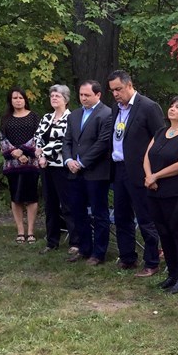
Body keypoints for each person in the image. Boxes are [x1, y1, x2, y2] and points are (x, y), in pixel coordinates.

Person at [108, 70, 165, 277]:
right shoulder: (116, 109)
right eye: (112, 90)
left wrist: (153, 173)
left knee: (145, 217)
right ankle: (127, 257)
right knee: (122, 215)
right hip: (119, 168)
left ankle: (151, 261)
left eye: (119, 89)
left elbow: (160, 140)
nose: (115, 94)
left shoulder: (148, 107)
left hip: (141, 170)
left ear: (129, 85)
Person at [143, 95, 178, 294]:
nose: (172, 109)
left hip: (176, 191)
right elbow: (147, 155)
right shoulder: (161, 131)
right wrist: (149, 176)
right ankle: (171, 273)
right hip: (154, 190)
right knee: (163, 232)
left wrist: (156, 176)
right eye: (171, 106)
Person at [63, 80, 113, 265]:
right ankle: (84, 248)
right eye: (81, 95)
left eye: (87, 95)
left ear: (98, 95)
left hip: (96, 172)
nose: (83, 98)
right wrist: (68, 160)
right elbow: (67, 140)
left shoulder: (106, 114)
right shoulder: (74, 115)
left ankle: (98, 253)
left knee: (99, 214)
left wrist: (82, 162)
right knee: (78, 212)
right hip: (74, 172)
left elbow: (102, 143)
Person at [34, 84, 80, 254]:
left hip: (62, 166)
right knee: (50, 204)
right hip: (45, 167)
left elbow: (64, 141)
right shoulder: (46, 117)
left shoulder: (71, 118)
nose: (53, 98)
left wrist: (44, 152)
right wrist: (40, 157)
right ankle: (52, 241)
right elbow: (38, 137)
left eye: (57, 96)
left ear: (65, 99)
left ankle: (75, 242)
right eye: (52, 95)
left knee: (68, 205)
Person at [0, 87, 41, 244]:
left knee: (31, 196)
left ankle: (30, 231)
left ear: (25, 100)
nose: (18, 100)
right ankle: (20, 231)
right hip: (12, 163)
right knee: (16, 197)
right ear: (10, 100)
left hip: (30, 162)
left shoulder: (34, 117)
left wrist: (23, 152)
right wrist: (15, 153)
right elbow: (2, 139)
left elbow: (38, 136)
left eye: (20, 98)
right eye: (15, 98)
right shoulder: (6, 119)